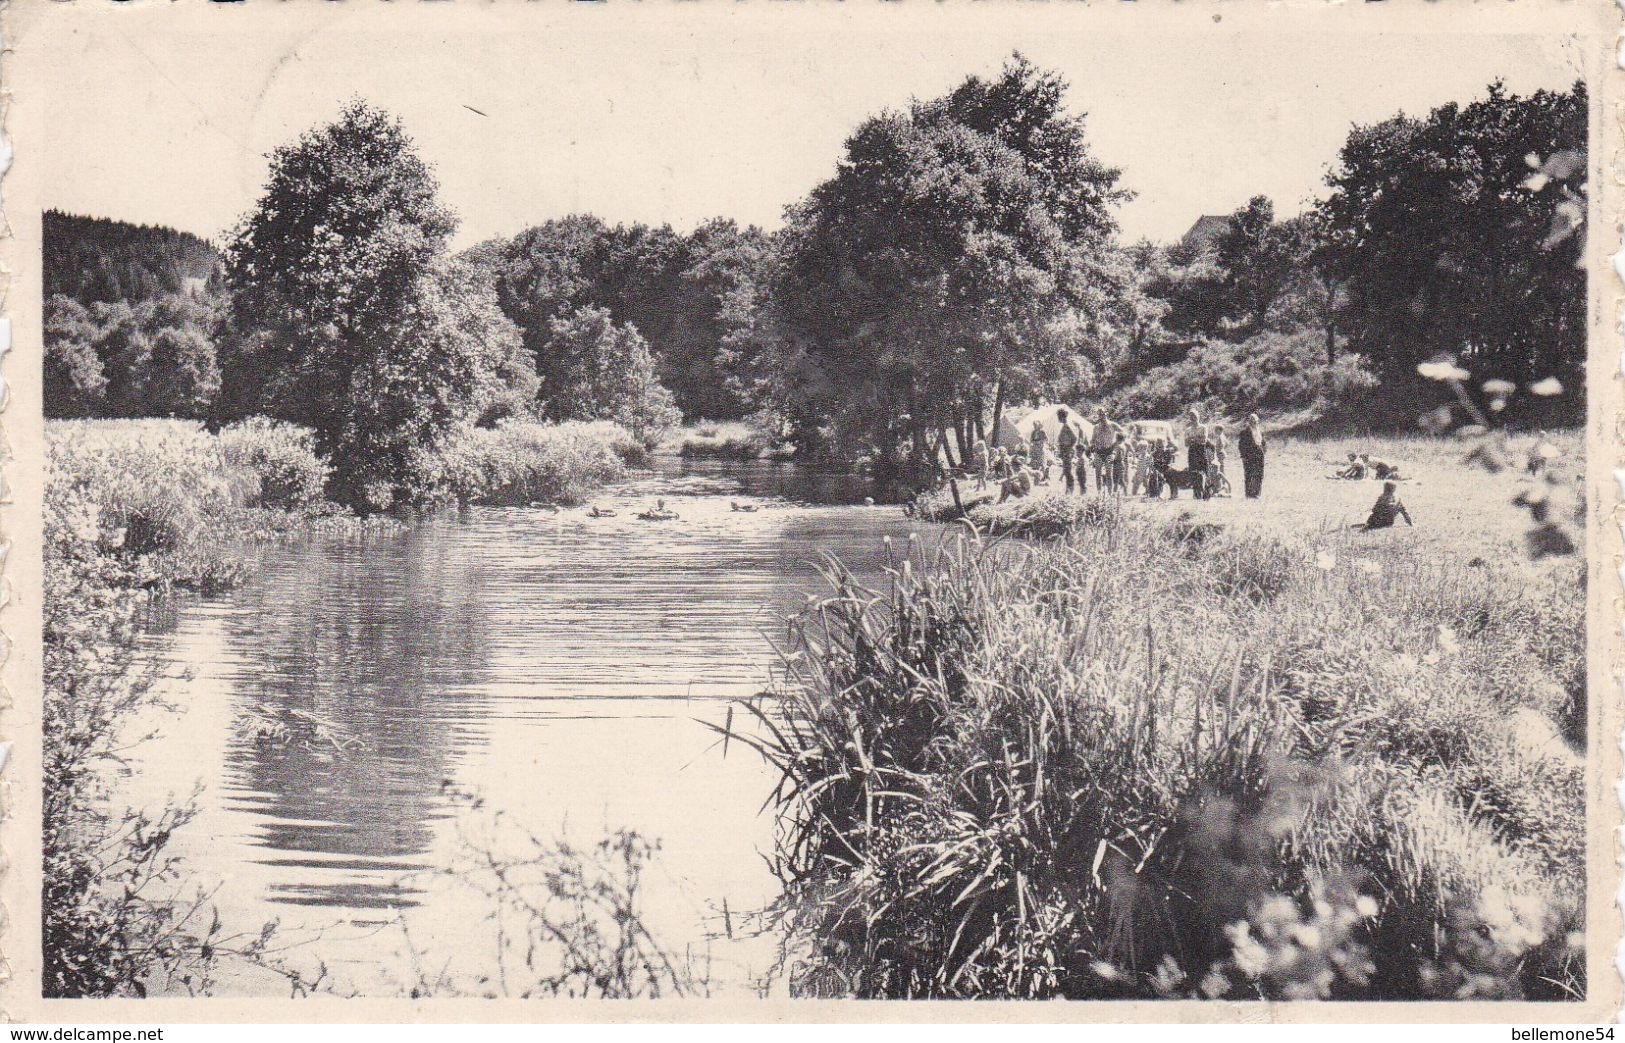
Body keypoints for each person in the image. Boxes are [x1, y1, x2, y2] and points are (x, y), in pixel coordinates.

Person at [1239, 413, 1266, 498]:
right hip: (1249, 454)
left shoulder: (1260, 431)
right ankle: (1249, 494)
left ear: (1258, 421)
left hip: (1259, 453)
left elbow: (1263, 442)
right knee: (1249, 474)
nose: (1253, 422)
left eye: (1255, 420)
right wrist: (1243, 456)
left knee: (1259, 474)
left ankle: (1257, 493)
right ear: (1249, 421)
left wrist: (1263, 451)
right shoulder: (1244, 432)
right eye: (1251, 420)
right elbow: (1241, 445)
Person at [1090, 409, 1116, 491]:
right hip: (1099, 451)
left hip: (1109, 451)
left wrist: (1116, 446)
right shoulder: (1096, 427)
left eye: (1103, 414)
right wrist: (1092, 447)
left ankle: (1110, 494)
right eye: (1100, 415)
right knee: (1098, 473)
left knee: (1109, 473)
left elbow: (1122, 434)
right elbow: (1092, 439)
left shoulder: (1112, 425)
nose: (1102, 417)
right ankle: (1099, 493)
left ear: (1106, 414)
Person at [1055, 408, 1080, 494]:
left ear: (1061, 417)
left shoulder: (1067, 426)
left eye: (1058, 416)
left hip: (1067, 450)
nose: (1058, 418)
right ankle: (1068, 490)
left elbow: (1074, 438)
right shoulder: (1065, 426)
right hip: (1064, 450)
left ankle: (1070, 490)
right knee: (1066, 470)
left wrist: (1069, 448)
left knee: (1068, 471)